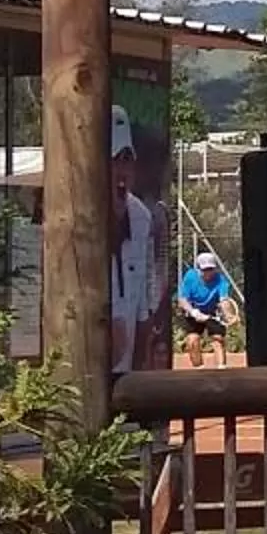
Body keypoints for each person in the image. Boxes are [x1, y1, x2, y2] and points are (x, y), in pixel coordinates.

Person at [105, 105, 162, 375]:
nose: (121, 170)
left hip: (125, 373)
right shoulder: (66, 216)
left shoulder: (141, 216)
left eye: (127, 159)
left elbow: (143, 305)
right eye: (113, 159)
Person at [176, 248, 238, 366]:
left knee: (218, 339)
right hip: (193, 311)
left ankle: (221, 370)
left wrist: (229, 316)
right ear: (198, 269)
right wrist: (194, 312)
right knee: (192, 341)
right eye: (204, 269)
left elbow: (224, 301)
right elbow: (182, 300)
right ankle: (199, 370)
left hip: (213, 312)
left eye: (211, 269)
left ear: (215, 268)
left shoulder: (221, 280)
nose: (208, 273)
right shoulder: (190, 277)